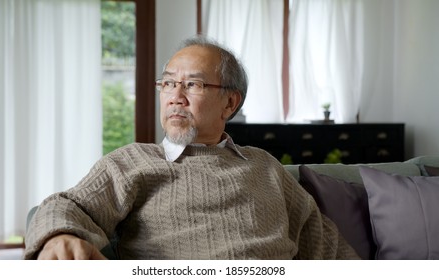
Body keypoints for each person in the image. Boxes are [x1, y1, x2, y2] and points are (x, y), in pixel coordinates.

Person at [24, 36, 359, 260]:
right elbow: (67, 206)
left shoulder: (265, 167)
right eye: (168, 83)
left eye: (193, 84)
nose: (175, 96)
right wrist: (59, 236)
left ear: (229, 102)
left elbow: (327, 248)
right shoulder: (132, 162)